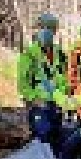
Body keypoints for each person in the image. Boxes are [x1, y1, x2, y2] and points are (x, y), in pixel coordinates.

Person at [17, 12, 65, 148]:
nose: (47, 32)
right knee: (42, 139)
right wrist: (34, 100)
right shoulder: (30, 54)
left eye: (50, 29)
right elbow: (23, 83)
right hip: (39, 106)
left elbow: (64, 78)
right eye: (44, 28)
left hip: (57, 105)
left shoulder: (60, 54)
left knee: (57, 140)